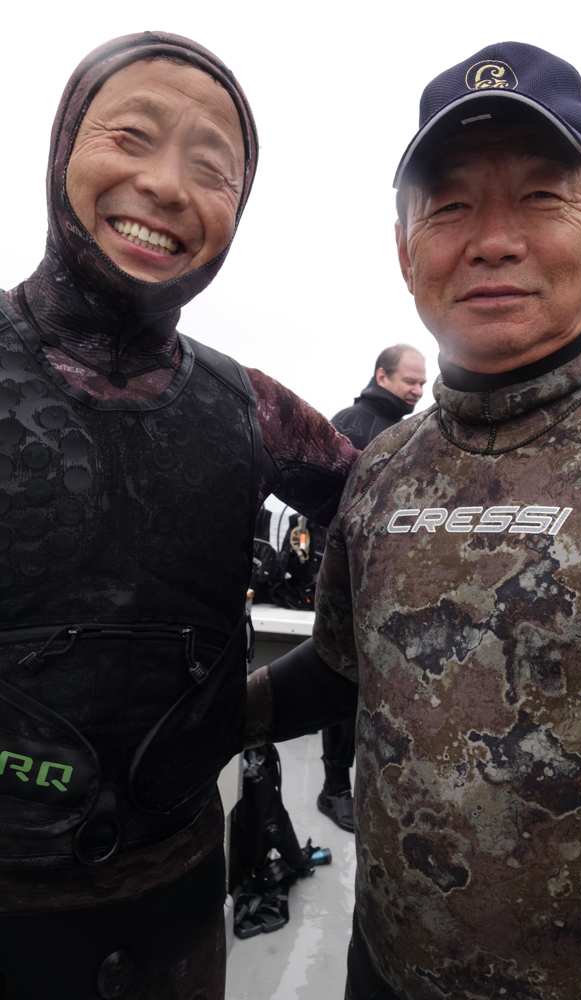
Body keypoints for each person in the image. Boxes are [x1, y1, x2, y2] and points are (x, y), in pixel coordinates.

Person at [247, 40, 581, 999]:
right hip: (382, 967)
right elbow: (343, 666)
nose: (493, 240)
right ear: (405, 253)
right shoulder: (384, 466)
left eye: (539, 196)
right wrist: (206, 720)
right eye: (449, 207)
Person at [0, 32, 358, 999]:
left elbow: (394, 522)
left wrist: (255, 706)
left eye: (212, 169)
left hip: (178, 902)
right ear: (61, 147)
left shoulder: (255, 408)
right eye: (131, 136)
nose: (164, 185)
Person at [317, 345, 426, 832]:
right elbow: (323, 506)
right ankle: (334, 788)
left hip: (395, 585)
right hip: (351, 581)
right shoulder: (352, 424)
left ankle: (375, 785)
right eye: (409, 381)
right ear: (382, 376)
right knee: (344, 678)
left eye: (422, 383)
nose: (418, 390)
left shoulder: (412, 431)